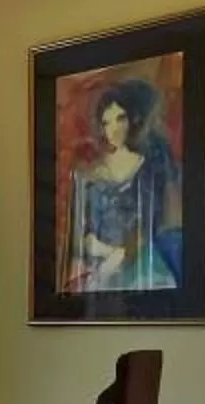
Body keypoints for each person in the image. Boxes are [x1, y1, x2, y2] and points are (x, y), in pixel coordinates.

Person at [71, 79, 177, 292]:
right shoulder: (90, 175)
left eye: (120, 119)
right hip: (101, 265)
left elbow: (148, 224)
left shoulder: (146, 166)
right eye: (107, 122)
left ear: (131, 121)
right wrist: (107, 253)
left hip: (141, 264)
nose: (114, 129)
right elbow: (84, 235)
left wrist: (122, 255)